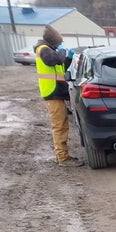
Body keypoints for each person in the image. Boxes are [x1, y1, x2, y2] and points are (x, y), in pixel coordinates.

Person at [34, 25, 83, 167]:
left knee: (61, 124)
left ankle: (63, 155)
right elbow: (52, 60)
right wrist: (62, 52)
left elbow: (59, 66)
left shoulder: (49, 50)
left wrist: (67, 59)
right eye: (58, 42)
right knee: (59, 125)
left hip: (56, 92)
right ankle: (62, 157)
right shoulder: (43, 49)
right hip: (52, 92)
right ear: (53, 40)